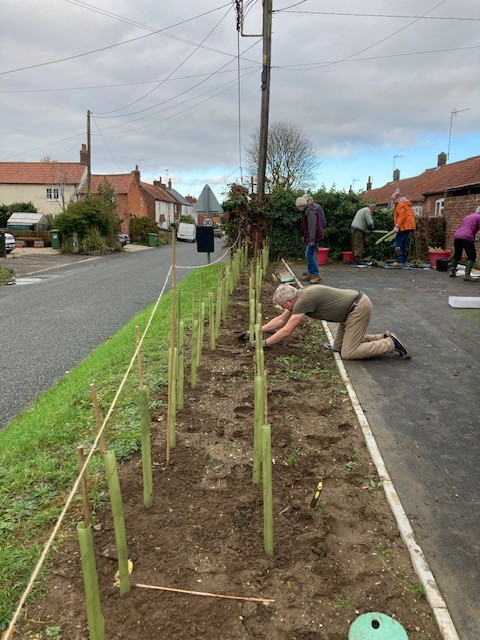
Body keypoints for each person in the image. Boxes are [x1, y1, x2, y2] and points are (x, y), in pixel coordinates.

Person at [258, 283, 410, 360]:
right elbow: (280, 321)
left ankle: (390, 344)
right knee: (339, 346)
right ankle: (381, 337)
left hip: (357, 308)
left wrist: (264, 344)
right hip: (350, 310)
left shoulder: (302, 301)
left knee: (348, 353)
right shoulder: (299, 296)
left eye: (281, 304)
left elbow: (286, 331)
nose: (281, 307)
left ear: (290, 300)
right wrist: (258, 330)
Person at [295, 194, 327, 284]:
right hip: (310, 237)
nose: (298, 209)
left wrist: (312, 240)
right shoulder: (307, 210)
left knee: (308, 255)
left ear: (301, 206)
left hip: (313, 237)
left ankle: (316, 274)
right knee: (309, 255)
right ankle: (311, 273)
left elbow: (312, 227)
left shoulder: (310, 211)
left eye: (298, 207)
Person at [449, 206, 480, 281]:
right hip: (467, 236)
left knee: (457, 254)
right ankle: (467, 275)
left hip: (457, 235)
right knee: (472, 256)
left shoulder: (468, 216)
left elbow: (462, 227)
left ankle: (452, 271)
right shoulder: (479, 217)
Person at [390, 191, 416, 267]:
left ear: (397, 198)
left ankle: (400, 261)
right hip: (408, 226)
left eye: (393, 200)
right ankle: (403, 261)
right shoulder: (406, 204)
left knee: (398, 244)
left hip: (404, 227)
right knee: (403, 244)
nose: (393, 202)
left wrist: (397, 226)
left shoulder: (400, 205)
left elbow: (402, 216)